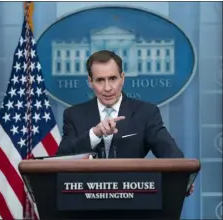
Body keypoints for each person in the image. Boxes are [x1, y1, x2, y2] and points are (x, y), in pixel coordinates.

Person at [56, 50, 194, 195]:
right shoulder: (74, 114)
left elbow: (168, 150)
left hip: (132, 200)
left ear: (123, 78)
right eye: (100, 80)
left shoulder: (145, 113)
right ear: (90, 82)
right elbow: (62, 158)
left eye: (113, 78)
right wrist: (94, 134)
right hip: (85, 201)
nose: (107, 88)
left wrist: (183, 177)